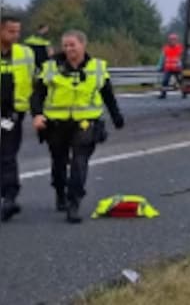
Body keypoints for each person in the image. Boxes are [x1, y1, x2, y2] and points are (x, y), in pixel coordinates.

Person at [31, 30, 125, 224]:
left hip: (85, 123)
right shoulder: (50, 67)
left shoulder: (97, 67)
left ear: (83, 45)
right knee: (59, 161)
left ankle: (74, 203)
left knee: (79, 162)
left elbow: (108, 94)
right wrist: (37, 115)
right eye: (65, 45)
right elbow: (37, 94)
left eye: (72, 45)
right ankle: (60, 192)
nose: (68, 49)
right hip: (56, 124)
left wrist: (116, 117)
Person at [1, 16, 41, 221]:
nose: (16, 35)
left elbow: (34, 84)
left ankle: (9, 197)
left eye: (18, 31)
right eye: (11, 31)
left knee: (8, 154)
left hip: (11, 114)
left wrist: (36, 113)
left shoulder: (25, 53)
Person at [156, 33, 184, 99]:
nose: (172, 41)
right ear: (169, 40)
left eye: (174, 40)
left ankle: (184, 93)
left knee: (180, 81)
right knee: (165, 81)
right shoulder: (166, 48)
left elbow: (183, 58)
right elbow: (162, 58)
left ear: (177, 40)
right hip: (168, 68)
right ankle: (163, 94)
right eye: (171, 40)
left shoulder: (180, 48)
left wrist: (182, 66)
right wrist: (160, 66)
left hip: (177, 68)